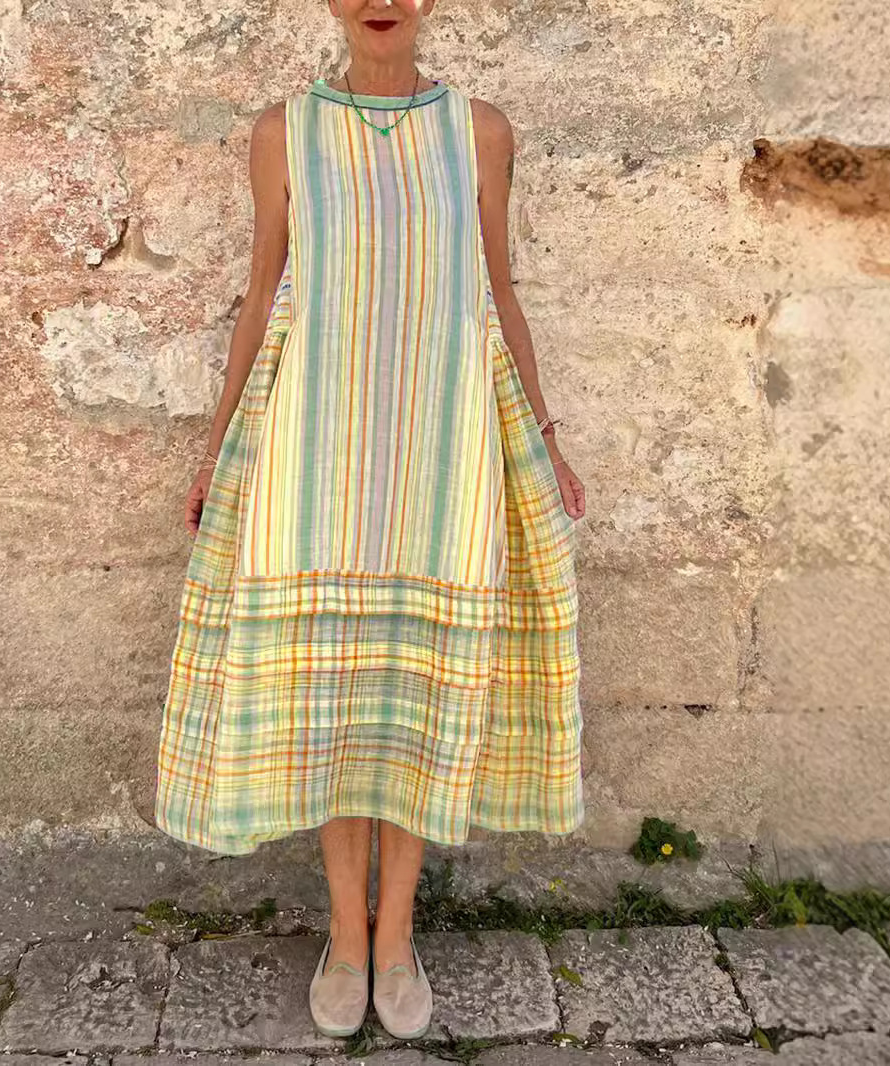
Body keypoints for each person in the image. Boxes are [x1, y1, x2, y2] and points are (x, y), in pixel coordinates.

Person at [154, 0, 588, 1043]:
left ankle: (398, 936)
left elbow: (498, 293)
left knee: (411, 696)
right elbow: (263, 295)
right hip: (316, 458)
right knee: (335, 705)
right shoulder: (285, 131)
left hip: (441, 457)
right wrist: (215, 450)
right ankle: (345, 936)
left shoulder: (478, 131)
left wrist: (544, 435)